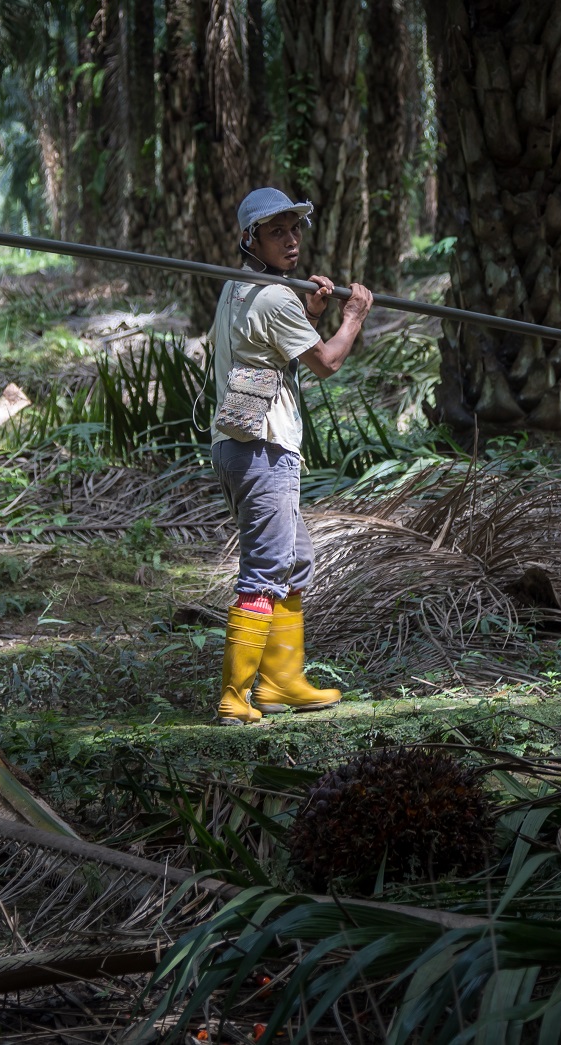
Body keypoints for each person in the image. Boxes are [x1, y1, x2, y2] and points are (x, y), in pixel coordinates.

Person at [210, 188, 374, 725]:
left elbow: (266, 352)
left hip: (239, 443)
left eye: (294, 228)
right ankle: (235, 696)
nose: (292, 239)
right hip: (264, 448)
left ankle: (282, 682)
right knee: (265, 569)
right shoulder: (275, 297)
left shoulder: (238, 288)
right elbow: (325, 362)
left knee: (295, 558)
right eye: (276, 231)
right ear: (249, 238)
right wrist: (352, 316)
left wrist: (309, 310)